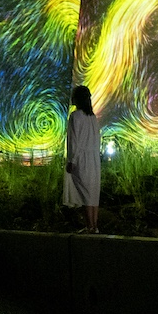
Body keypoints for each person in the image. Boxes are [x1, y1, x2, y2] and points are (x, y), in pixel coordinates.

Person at [62, 85, 101, 233]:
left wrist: (72, 160)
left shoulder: (75, 116)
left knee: (85, 193)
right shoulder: (93, 117)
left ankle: (90, 225)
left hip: (82, 159)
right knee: (93, 192)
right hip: (93, 159)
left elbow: (74, 141)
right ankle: (94, 226)